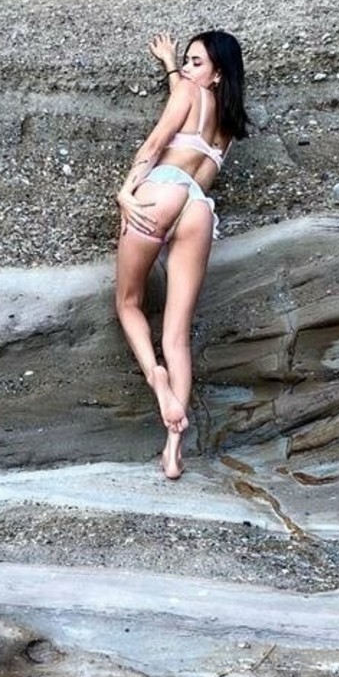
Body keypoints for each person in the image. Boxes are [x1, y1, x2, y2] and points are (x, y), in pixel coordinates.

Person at [115, 29, 248, 479]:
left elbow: (156, 143)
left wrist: (125, 191)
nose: (188, 69)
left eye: (196, 62)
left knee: (129, 303)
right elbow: (190, 100)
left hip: (161, 191)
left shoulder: (189, 92)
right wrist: (172, 64)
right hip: (198, 210)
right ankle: (173, 449)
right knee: (177, 336)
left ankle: (157, 379)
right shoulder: (228, 126)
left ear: (216, 73)